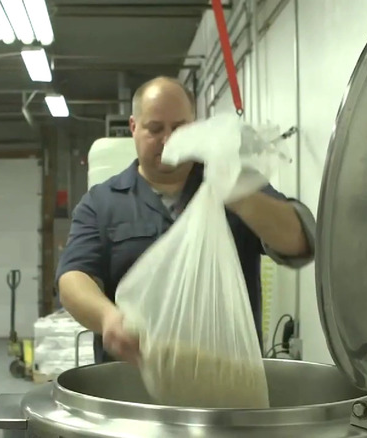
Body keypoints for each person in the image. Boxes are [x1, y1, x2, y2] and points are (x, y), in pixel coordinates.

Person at [56, 76, 316, 365]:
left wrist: (239, 196)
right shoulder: (102, 203)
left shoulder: (232, 182)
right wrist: (107, 317)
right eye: (155, 129)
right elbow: (73, 277)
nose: (168, 140)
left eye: (180, 128)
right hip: (130, 386)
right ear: (133, 127)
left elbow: (300, 243)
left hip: (226, 384)